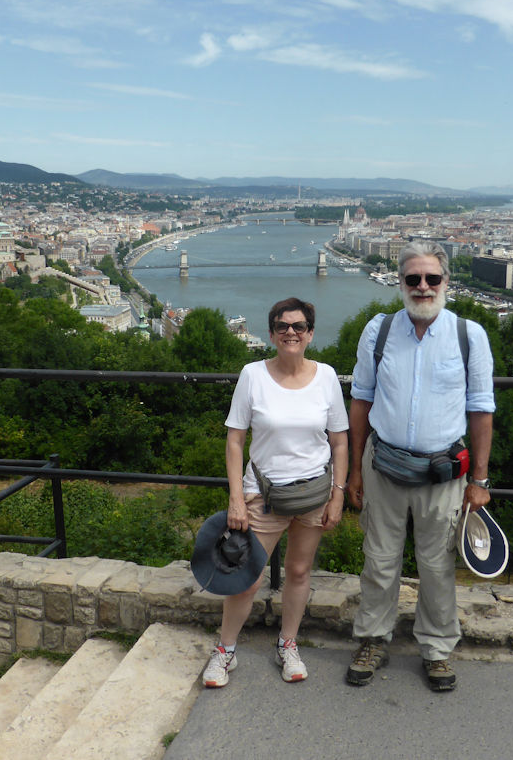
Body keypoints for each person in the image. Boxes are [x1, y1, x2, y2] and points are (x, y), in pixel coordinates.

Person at [345, 240, 496, 692]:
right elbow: (361, 400)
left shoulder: (470, 336)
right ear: (402, 283)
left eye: (432, 278)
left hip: (443, 471)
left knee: (437, 565)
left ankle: (437, 648)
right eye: (414, 279)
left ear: (447, 283)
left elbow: (481, 409)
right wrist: (354, 470)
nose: (423, 286)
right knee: (380, 560)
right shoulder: (379, 331)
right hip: (384, 465)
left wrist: (481, 480)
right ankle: (373, 639)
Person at [202, 298, 349, 688]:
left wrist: (338, 494)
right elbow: (235, 441)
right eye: (283, 326)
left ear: (310, 333)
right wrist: (236, 498)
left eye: (299, 326)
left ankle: (288, 643)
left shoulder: (327, 377)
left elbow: (339, 442)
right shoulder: (252, 375)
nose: (291, 332)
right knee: (247, 577)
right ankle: (225, 651)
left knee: (299, 572)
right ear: (271, 333)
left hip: (313, 492)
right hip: (263, 495)